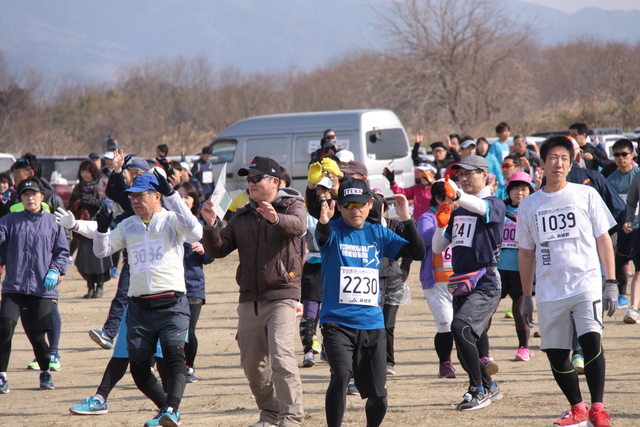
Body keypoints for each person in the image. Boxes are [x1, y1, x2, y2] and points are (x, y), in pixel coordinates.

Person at [517, 136, 617, 427]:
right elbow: (525, 253)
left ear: (571, 162)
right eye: (553, 158)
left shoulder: (585, 195)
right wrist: (526, 296)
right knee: (556, 353)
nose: (558, 164)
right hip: (550, 289)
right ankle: (578, 408)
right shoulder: (529, 205)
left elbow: (603, 239)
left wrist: (610, 280)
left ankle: (598, 409)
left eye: (564, 158)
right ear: (543, 163)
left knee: (590, 339)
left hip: (585, 282)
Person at [201, 156, 305, 427]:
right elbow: (218, 249)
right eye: (249, 179)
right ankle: (270, 414)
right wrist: (211, 225)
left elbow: (298, 226)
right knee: (253, 366)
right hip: (249, 298)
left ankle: (291, 417)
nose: (251, 183)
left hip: (282, 294)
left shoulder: (292, 205)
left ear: (275, 182)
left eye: (256, 178)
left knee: (281, 357)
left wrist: (275, 219)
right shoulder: (243, 214)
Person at [93, 170, 202, 427]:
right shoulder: (128, 225)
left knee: (175, 357)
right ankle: (167, 409)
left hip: (172, 304)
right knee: (139, 370)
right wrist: (100, 229)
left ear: (156, 196)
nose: (135, 202)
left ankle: (172, 409)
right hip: (140, 307)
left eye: (141, 196)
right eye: (132, 197)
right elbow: (102, 251)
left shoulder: (171, 220)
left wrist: (173, 195)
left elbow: (196, 232)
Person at [316, 178, 425, 427]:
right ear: (339, 206)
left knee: (378, 395)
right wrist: (323, 222)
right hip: (337, 322)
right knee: (341, 375)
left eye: (360, 204)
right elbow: (322, 235)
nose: (355, 209)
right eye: (348, 204)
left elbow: (417, 253)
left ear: (371, 203)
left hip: (372, 324)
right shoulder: (332, 230)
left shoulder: (378, 233)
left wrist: (407, 219)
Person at [432, 155, 505, 411]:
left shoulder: (493, 203)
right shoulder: (461, 208)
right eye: (460, 175)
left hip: (485, 281)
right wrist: (441, 226)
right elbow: (439, 247)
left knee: (461, 326)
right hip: (461, 282)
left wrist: (458, 196)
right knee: (463, 338)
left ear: (485, 175)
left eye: (469, 173)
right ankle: (490, 386)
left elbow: (482, 208)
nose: (463, 179)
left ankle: (477, 390)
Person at [0, 177, 69, 393]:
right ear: (21, 199)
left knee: (38, 337)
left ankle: (45, 372)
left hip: (42, 288)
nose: (30, 198)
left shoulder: (52, 222)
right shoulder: (10, 220)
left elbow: (62, 252)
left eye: (34, 194)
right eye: (26, 195)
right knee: (4, 328)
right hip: (14, 286)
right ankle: (2, 376)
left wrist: (56, 269)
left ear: (41, 196)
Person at [175, 181, 214, 383]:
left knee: (189, 331)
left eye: (186, 197)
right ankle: (172, 368)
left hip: (193, 287)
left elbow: (210, 257)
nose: (182, 200)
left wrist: (204, 250)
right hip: (172, 286)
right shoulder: (168, 222)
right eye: (178, 196)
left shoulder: (199, 226)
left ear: (193, 202)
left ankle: (189, 367)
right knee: (174, 331)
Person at [417, 181, 456, 379]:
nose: (455, 200)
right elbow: (426, 238)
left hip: (460, 281)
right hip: (436, 284)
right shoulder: (427, 217)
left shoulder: (459, 216)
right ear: (440, 198)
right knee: (446, 324)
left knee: (464, 323)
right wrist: (443, 223)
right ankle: (445, 363)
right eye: (451, 196)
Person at [495, 172, 534, 361]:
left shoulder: (533, 210)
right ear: (509, 190)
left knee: (520, 310)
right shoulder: (499, 210)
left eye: (524, 188)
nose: (519, 192)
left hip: (522, 271)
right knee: (488, 308)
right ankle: (479, 349)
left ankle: (524, 348)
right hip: (499, 270)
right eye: (515, 188)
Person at [68, 159, 112, 298]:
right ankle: (90, 287)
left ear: (94, 172)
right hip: (83, 228)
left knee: (99, 257)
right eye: (83, 172)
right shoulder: (78, 188)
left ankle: (100, 286)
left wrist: (96, 204)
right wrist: (79, 203)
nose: (85, 174)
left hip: (99, 226)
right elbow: (70, 207)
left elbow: (109, 205)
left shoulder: (103, 185)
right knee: (85, 258)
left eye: (88, 171)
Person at [606, 139, 640, 311]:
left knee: (638, 264)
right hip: (620, 225)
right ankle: (622, 294)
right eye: (617, 155)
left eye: (624, 154)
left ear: (632, 154)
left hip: (638, 226)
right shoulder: (611, 180)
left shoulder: (638, 174)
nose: (621, 158)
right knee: (620, 259)